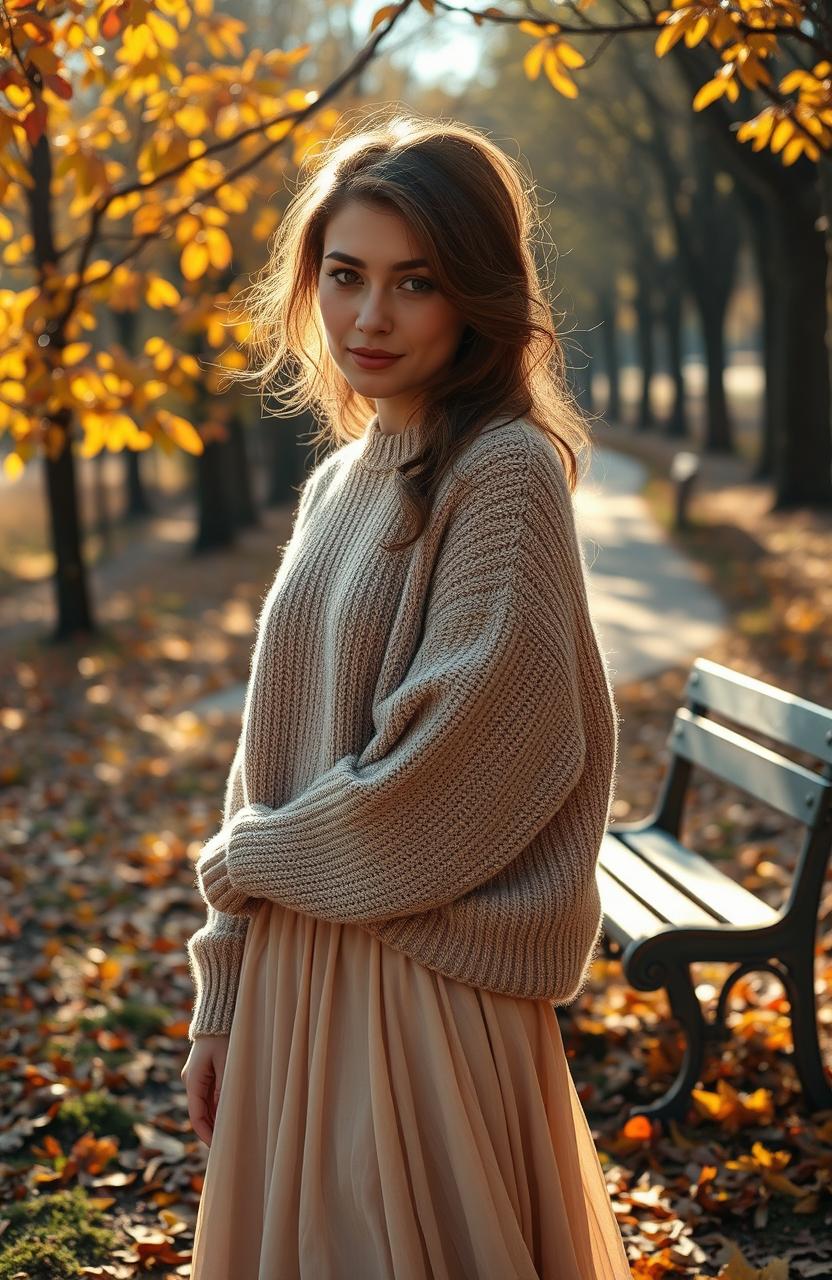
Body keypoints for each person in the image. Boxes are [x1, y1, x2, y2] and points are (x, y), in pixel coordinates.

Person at [181, 107, 630, 1280]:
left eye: (414, 282)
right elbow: (267, 750)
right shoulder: (344, 474)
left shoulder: (505, 475)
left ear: (475, 294)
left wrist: (243, 861)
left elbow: (445, 785)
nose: (368, 318)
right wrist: (222, 988)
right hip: (298, 972)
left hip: (421, 998)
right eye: (344, 276)